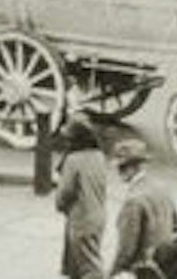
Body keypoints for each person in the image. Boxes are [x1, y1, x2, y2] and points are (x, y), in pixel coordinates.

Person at [110, 139, 177, 279]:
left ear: (131, 168)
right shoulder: (162, 188)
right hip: (164, 265)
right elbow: (175, 225)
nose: (119, 173)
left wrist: (114, 272)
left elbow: (126, 248)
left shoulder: (133, 201)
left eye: (121, 168)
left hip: (142, 270)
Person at [54, 117, 109, 279]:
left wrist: (60, 205)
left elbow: (65, 193)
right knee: (81, 263)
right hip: (98, 216)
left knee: (88, 267)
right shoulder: (99, 156)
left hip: (80, 219)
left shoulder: (73, 160)